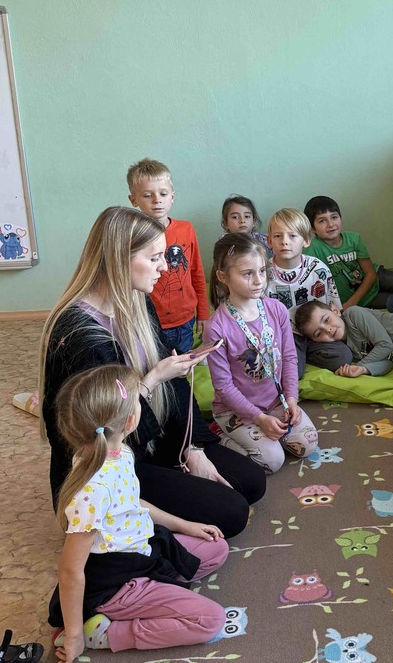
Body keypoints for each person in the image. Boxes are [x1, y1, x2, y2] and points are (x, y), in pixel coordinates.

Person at [39, 206, 263, 540]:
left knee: (251, 482)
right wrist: (151, 380)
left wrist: (192, 448)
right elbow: (102, 432)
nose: (165, 267)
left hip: (151, 438)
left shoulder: (138, 300)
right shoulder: (80, 335)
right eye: (155, 257)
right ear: (119, 259)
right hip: (109, 464)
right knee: (232, 512)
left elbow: (173, 379)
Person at [50, 365, 229, 663]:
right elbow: (70, 571)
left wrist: (185, 525)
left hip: (142, 549)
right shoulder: (91, 490)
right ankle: (104, 633)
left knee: (216, 548)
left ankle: (157, 588)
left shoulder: (119, 453)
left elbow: (132, 504)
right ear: (131, 421)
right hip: (117, 581)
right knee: (210, 620)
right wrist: (74, 636)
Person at [203, 234, 319, 474]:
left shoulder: (276, 309)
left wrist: (291, 399)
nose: (258, 280)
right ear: (223, 277)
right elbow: (223, 386)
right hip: (235, 411)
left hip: (276, 401)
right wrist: (259, 419)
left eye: (262, 271)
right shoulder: (216, 327)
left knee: (307, 444)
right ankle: (218, 438)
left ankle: (263, 434)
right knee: (271, 461)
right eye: (247, 274)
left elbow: (289, 358)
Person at [127, 158, 209, 353]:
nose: (157, 200)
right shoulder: (132, 235)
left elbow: (196, 271)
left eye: (163, 194)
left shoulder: (186, 229)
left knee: (183, 365)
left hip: (184, 320)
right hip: (147, 320)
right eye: (147, 195)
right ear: (133, 200)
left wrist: (203, 312)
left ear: (172, 196)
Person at [304, 194, 393, 310]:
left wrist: (352, 303)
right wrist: (350, 304)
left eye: (334, 217)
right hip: (365, 300)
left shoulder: (353, 239)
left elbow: (371, 274)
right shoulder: (313, 250)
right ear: (312, 228)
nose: (330, 224)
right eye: (322, 221)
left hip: (375, 278)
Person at [265, 207, 346, 376]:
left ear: (306, 240)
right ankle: (298, 356)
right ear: (269, 241)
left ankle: (304, 354)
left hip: (319, 331)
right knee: (292, 372)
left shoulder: (318, 268)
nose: (284, 242)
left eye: (292, 236)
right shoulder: (263, 273)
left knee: (343, 356)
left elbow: (333, 305)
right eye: (278, 236)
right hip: (286, 335)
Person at [220, 193, 273, 260]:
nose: (242, 221)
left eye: (247, 216)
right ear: (225, 223)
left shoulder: (264, 239)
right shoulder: (223, 244)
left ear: (254, 221)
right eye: (235, 217)